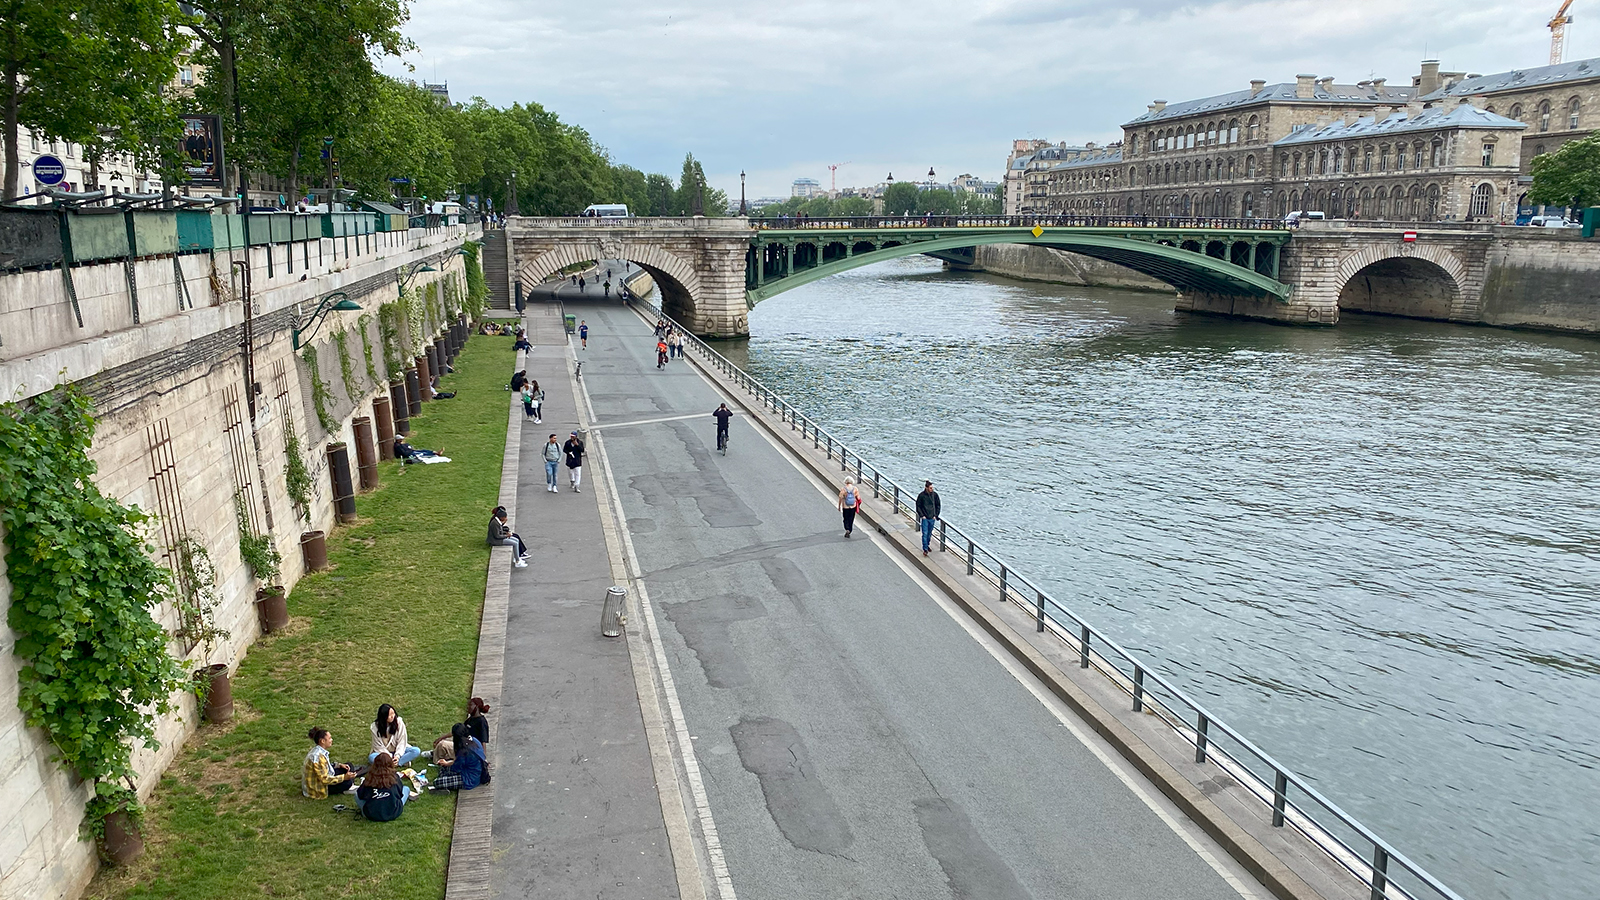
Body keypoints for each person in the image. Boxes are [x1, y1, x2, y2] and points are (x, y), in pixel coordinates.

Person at [303, 726, 359, 799]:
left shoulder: (319, 751)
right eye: (329, 738)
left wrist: (339, 765)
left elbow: (327, 766)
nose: (331, 740)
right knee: (347, 782)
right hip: (321, 787)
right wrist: (344, 777)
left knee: (349, 765)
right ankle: (349, 786)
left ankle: (349, 784)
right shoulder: (318, 758)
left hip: (326, 776)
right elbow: (324, 780)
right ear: (322, 741)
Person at [433, 722, 487, 792]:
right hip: (475, 771)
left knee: (437, 782)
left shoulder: (463, 751)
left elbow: (455, 768)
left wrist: (446, 764)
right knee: (444, 770)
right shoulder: (474, 740)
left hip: (469, 779)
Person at [356, 752, 410, 822]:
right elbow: (400, 795)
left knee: (356, 794)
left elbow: (360, 794)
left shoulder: (369, 778)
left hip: (371, 814)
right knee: (406, 789)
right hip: (393, 813)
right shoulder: (395, 777)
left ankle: (368, 810)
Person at [915, 481, 941, 557]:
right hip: (925, 518)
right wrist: (922, 515)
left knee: (929, 533)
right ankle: (925, 549)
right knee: (925, 533)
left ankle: (927, 544)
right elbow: (918, 506)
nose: (931, 489)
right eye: (930, 488)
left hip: (932, 517)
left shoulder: (935, 495)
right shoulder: (921, 496)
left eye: (932, 488)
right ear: (926, 488)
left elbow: (938, 505)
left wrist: (935, 515)